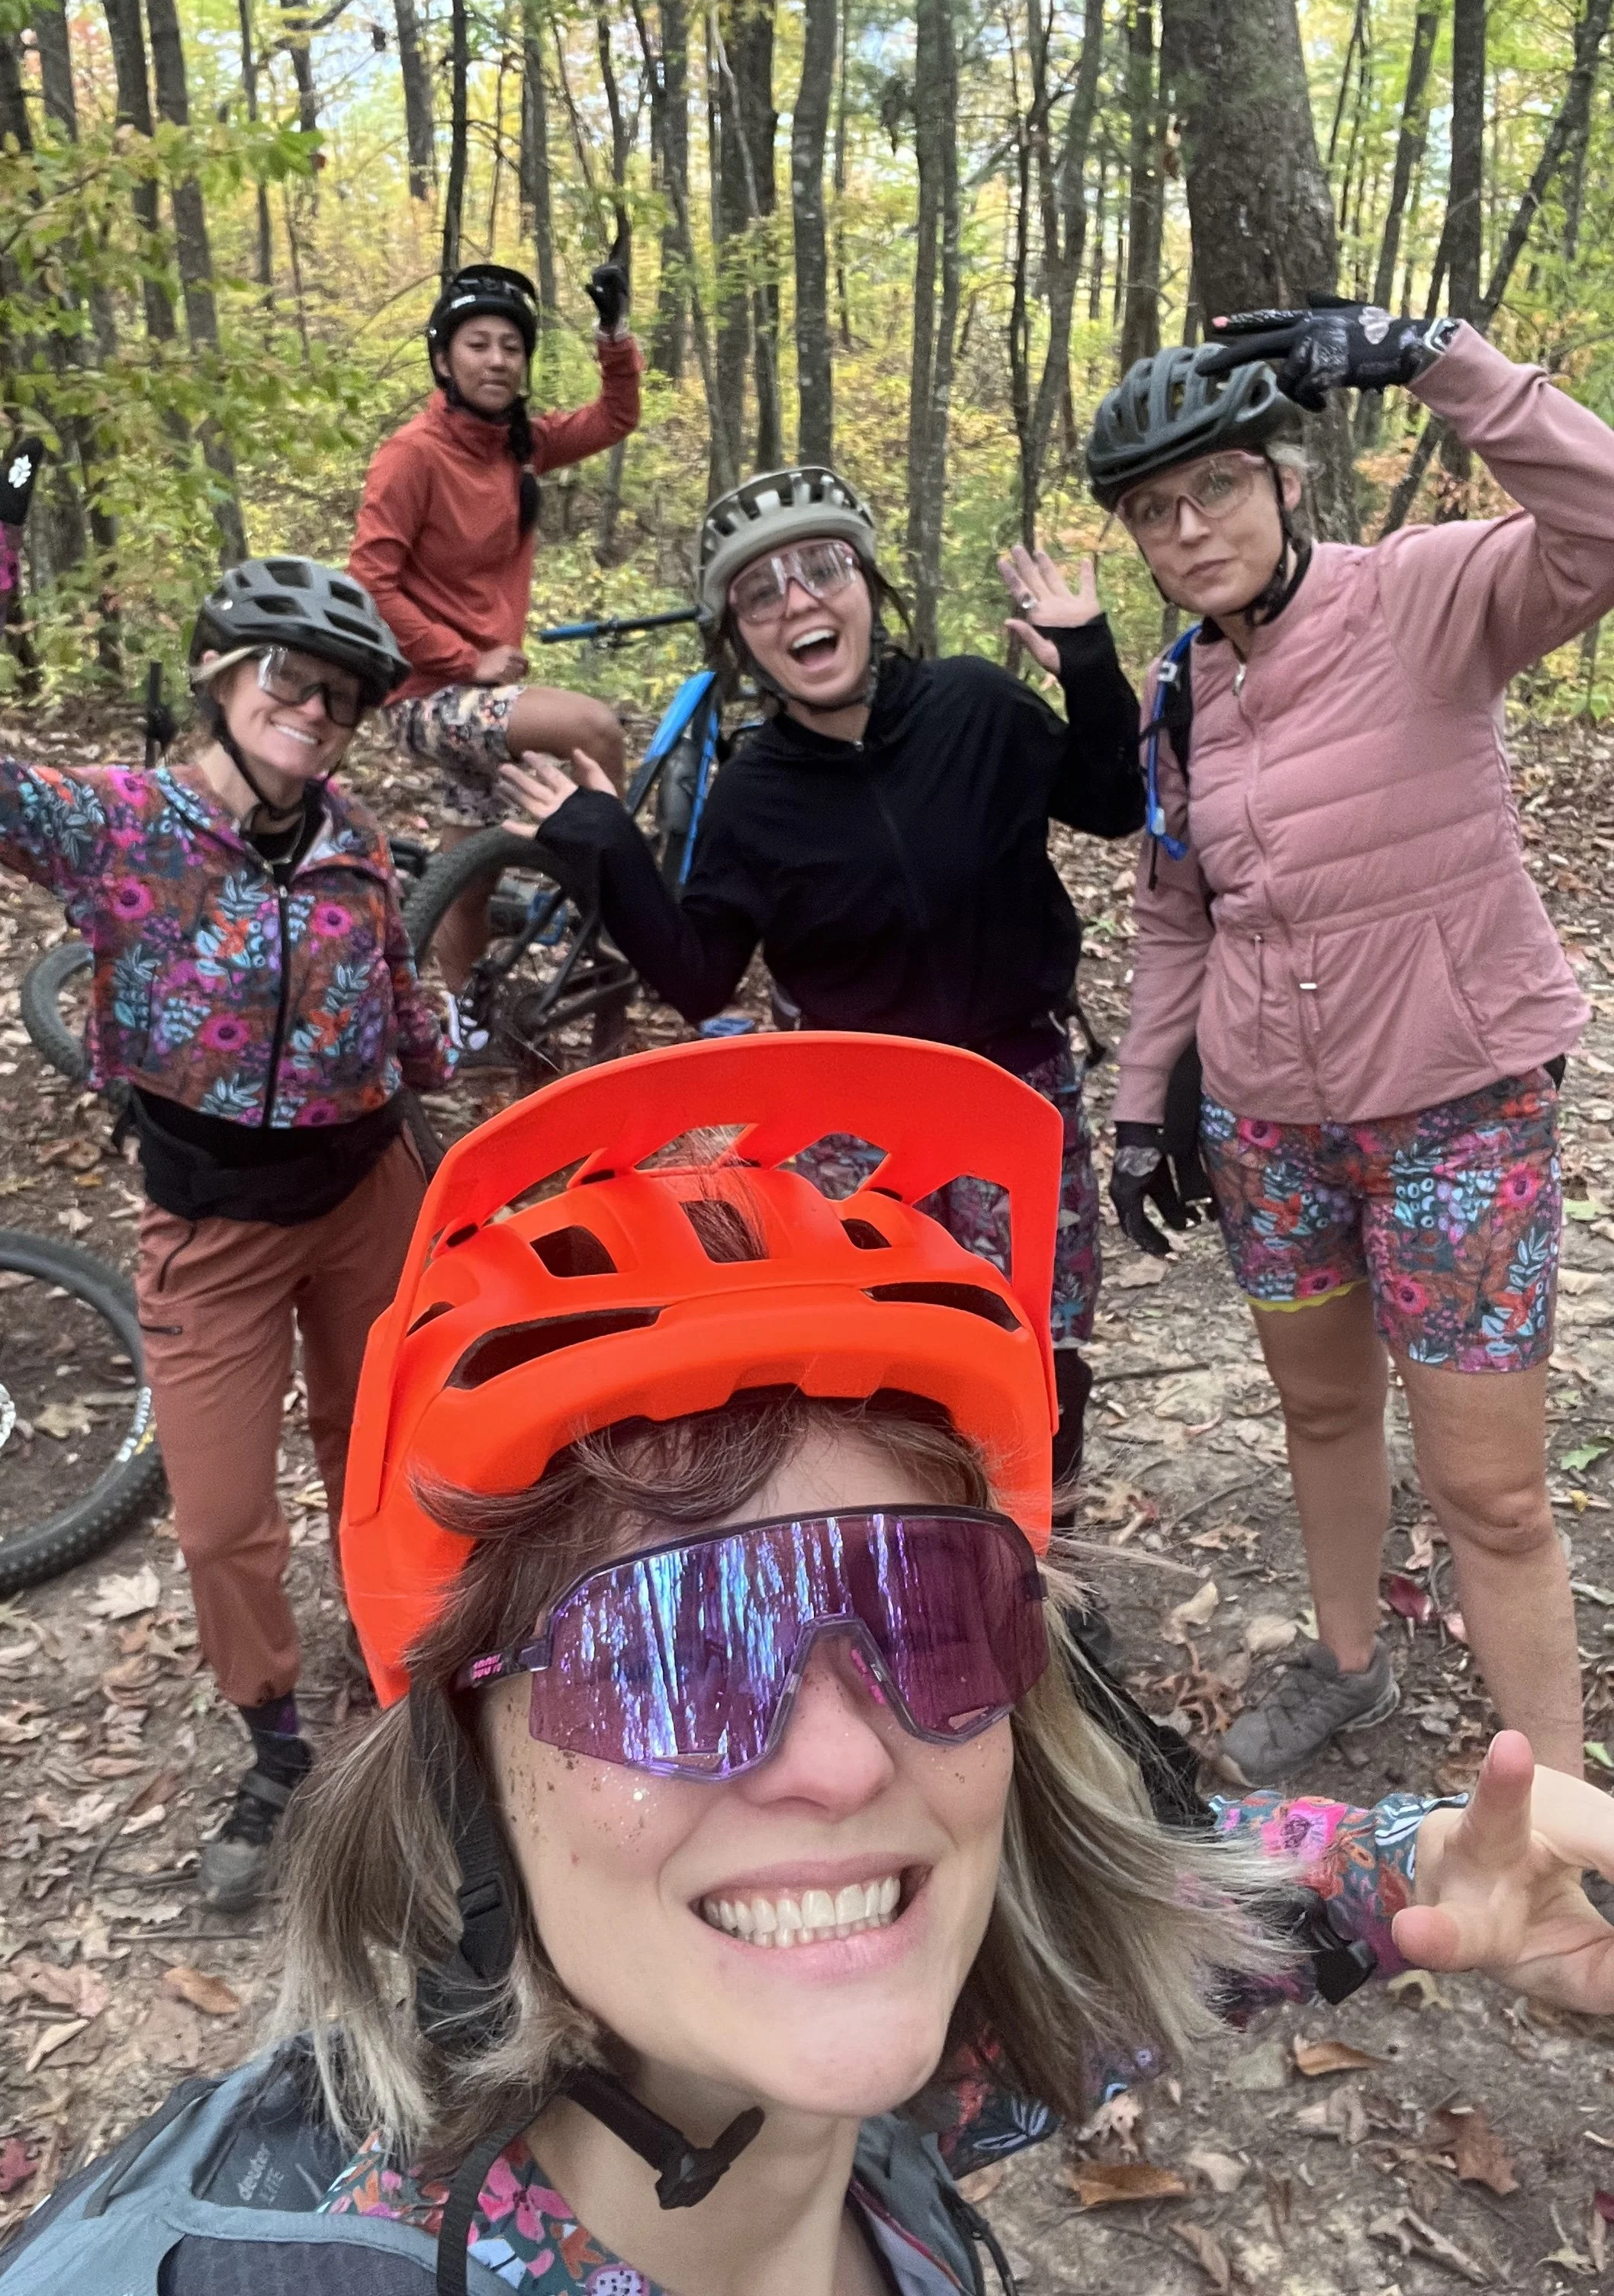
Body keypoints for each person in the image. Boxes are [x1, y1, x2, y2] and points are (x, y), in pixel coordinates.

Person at [0, 1037, 1614, 2296]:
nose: (837, 1761)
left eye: (927, 1613)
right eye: (670, 1656)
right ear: (457, 1755)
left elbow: (1112, 1966)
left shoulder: (868, 2089)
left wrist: (1419, 1871)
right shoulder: (224, 2257)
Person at [0, 381, 450, 1911]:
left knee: (384, 1460)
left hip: (368, 1194)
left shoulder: (358, 840)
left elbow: (397, 988)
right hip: (207, 1222)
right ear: (221, 676)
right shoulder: (119, 825)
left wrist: (441, 1060)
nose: (317, 708)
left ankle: (410, 1694)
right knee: (218, 1515)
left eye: (342, 692)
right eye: (290, 676)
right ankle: (277, 1740)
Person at [1091, 298, 1614, 1784]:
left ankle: (1557, 1808)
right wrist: (1145, 1110)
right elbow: (1176, 917)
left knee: (1496, 1494)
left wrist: (1436, 357)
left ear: (1284, 479)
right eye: (1153, 511)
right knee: (1322, 1406)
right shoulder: (1177, 696)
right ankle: (1344, 1662)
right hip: (1272, 1126)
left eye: (1216, 487)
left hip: (1461, 1110)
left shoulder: (1424, 595)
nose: (1188, 529)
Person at [500, 464, 1144, 1504]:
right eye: (761, 591)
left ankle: (1041, 1577)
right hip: (851, 1121)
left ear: (868, 587)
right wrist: (609, 848)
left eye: (821, 567)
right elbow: (697, 970)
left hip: (1015, 1088)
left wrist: (1090, 664)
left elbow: (1114, 804)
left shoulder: (976, 707)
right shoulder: (755, 794)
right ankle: (916, 1572)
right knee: (881, 1365)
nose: (797, 598)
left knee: (1043, 1350)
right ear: (742, 637)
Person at [349, 262, 642, 988]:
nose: (497, 360)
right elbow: (369, 580)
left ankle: (465, 1018)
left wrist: (613, 335)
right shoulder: (411, 455)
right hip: (425, 695)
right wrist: (461, 657)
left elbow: (615, 417)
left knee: (468, 874)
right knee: (596, 730)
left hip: (475, 702)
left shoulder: (518, 445)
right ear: (444, 358)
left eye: (512, 346)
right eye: (478, 344)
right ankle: (624, 913)